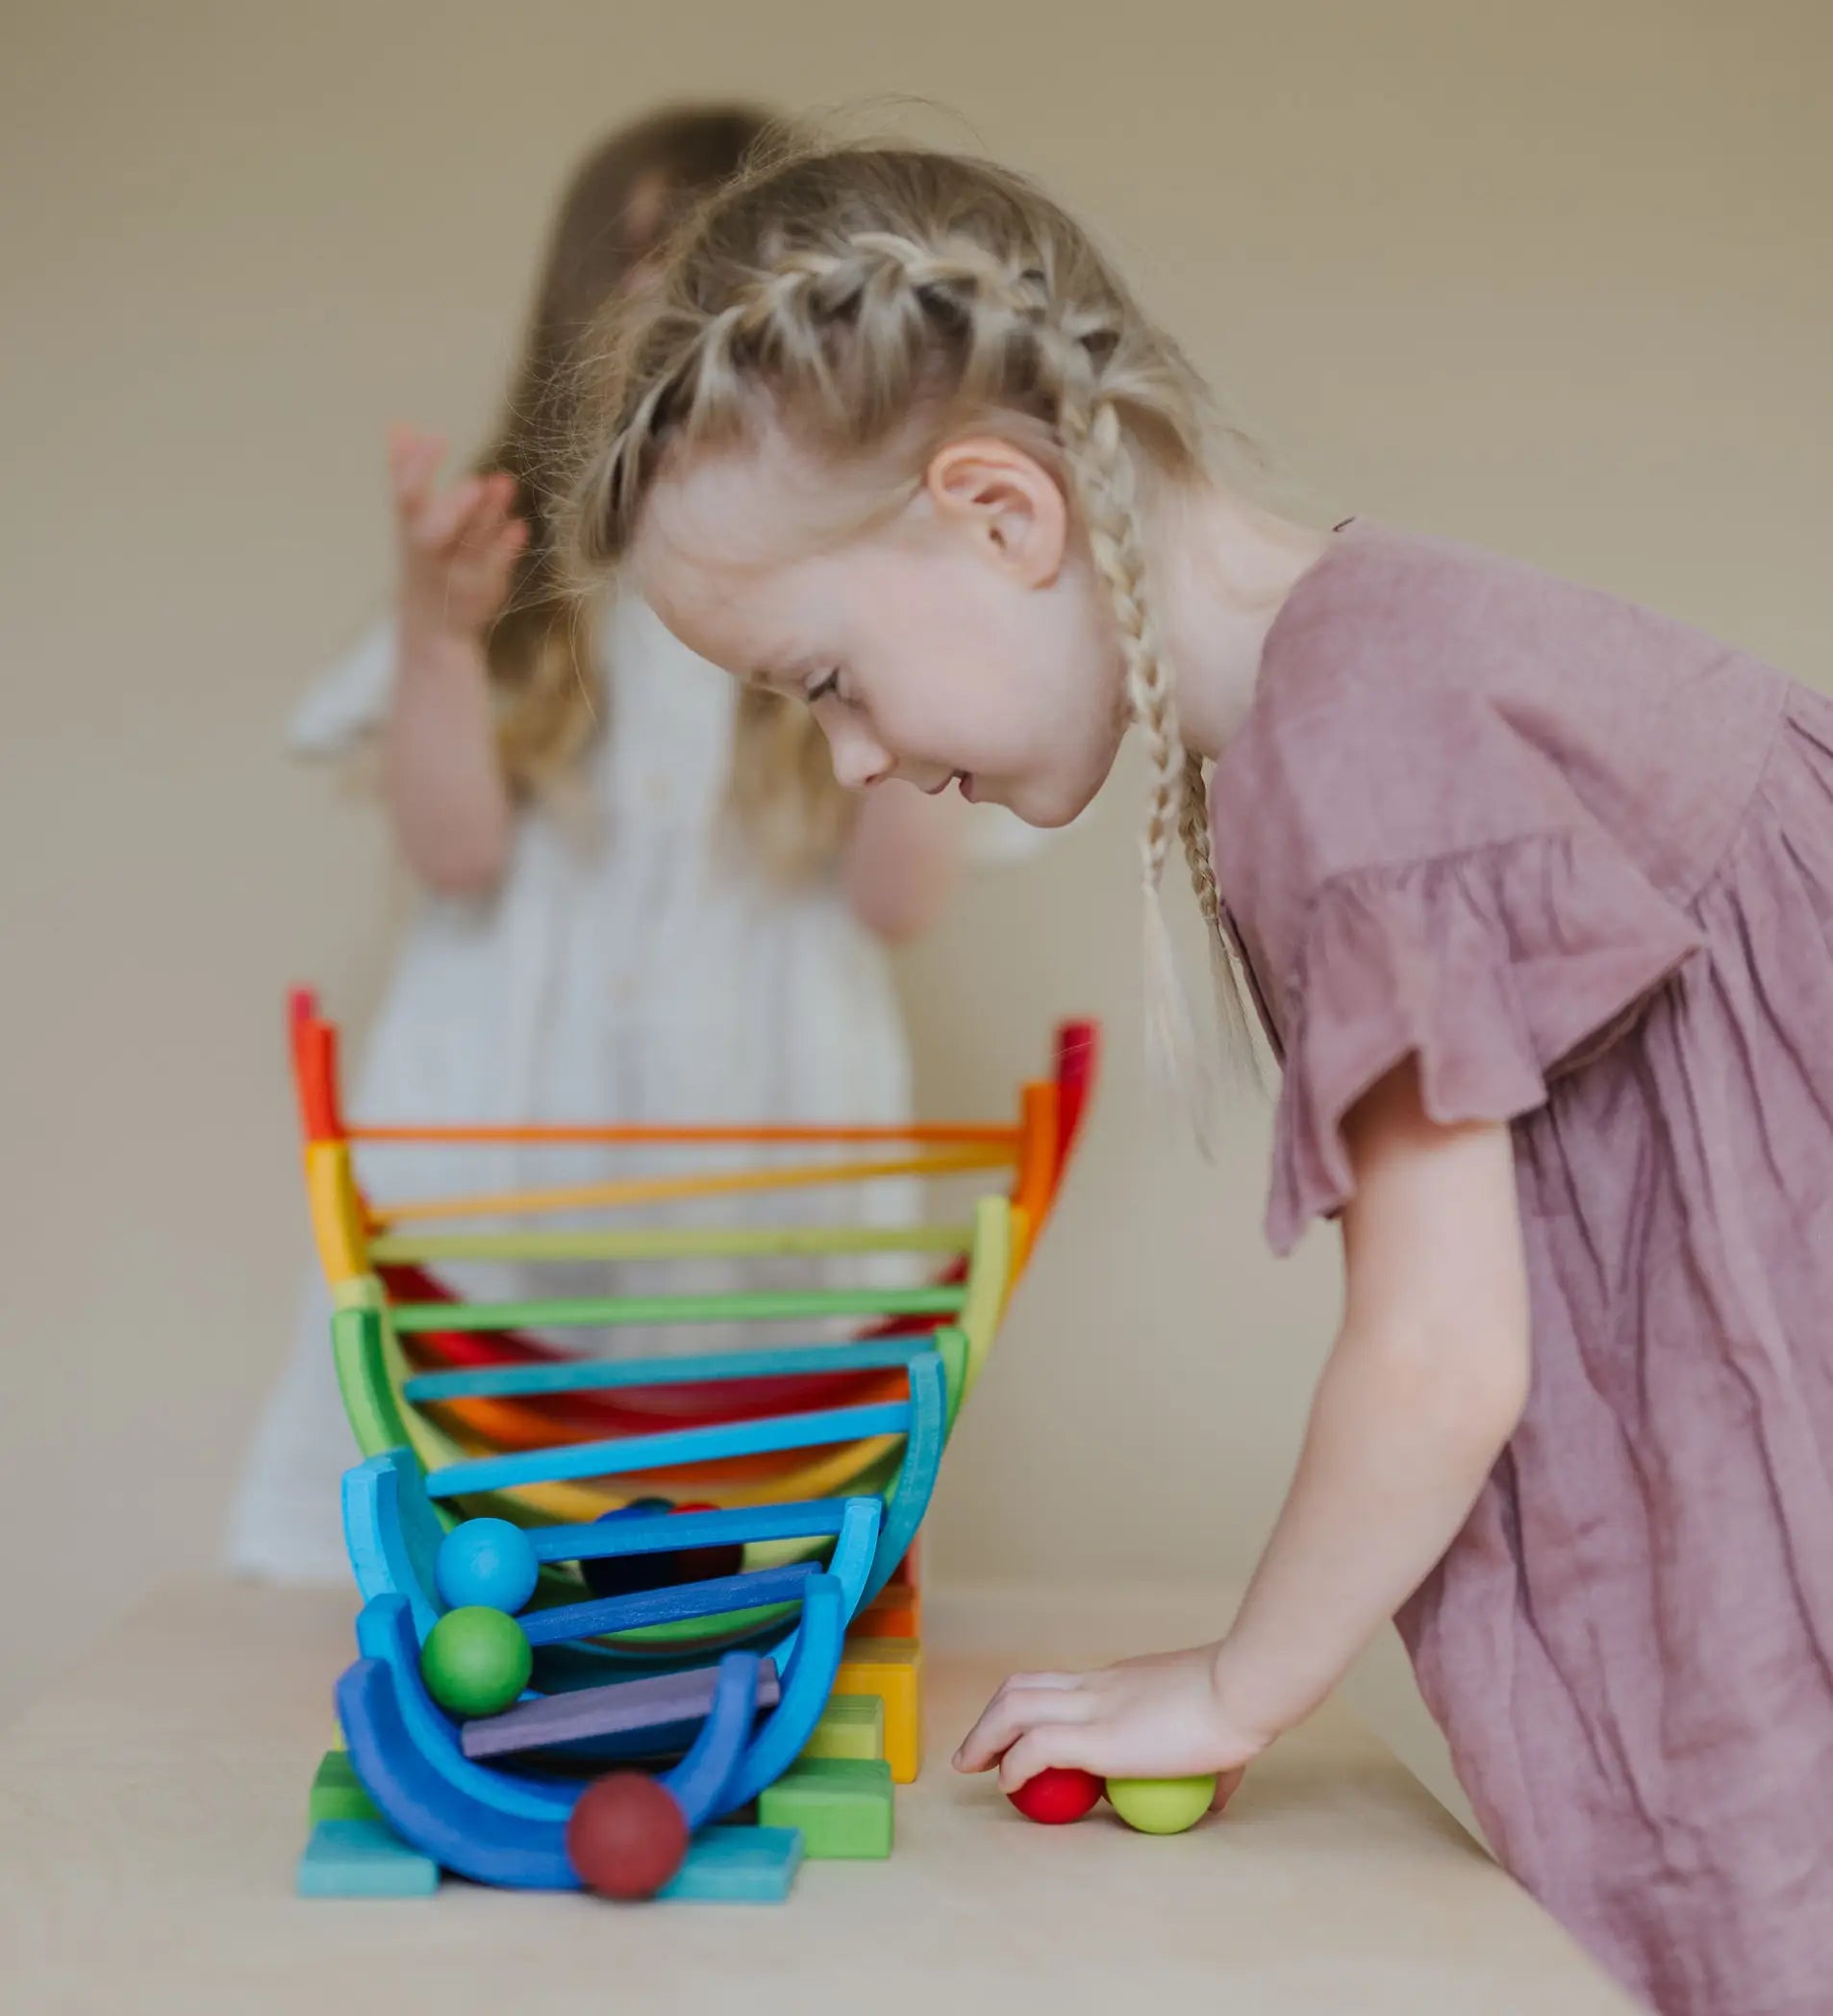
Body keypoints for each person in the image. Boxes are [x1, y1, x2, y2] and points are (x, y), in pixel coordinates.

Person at [560, 137, 1833, 2014]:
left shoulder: (1348, 736)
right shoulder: (1357, 675)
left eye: (820, 679)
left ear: (997, 514)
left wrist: (1240, 1680)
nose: (842, 764)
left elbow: (1438, 1357)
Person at [228, 110, 1042, 1584]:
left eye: (743, 270)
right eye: (652, 260)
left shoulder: (855, 599)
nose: (686, 305)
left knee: (739, 1537)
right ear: (577, 308)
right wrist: (435, 632)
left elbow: (896, 899)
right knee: (455, 1532)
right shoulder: (504, 568)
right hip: (502, 1167)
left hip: (759, 1177)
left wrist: (907, 606)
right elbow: (455, 853)